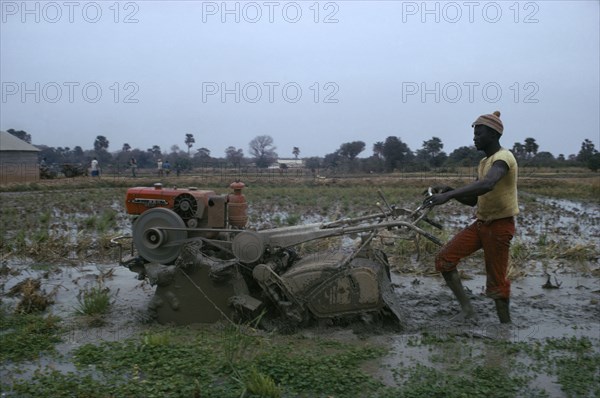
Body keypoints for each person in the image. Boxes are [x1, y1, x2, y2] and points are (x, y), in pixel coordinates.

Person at [423, 111, 518, 324]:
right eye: (474, 134)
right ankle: (468, 310)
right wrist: (448, 189)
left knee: (496, 283)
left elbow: (488, 184)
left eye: (479, 133)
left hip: (499, 227)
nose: (474, 138)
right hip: (481, 225)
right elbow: (474, 199)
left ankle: (505, 327)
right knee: (445, 260)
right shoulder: (484, 162)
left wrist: (448, 195)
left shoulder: (503, 158)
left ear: (493, 135)